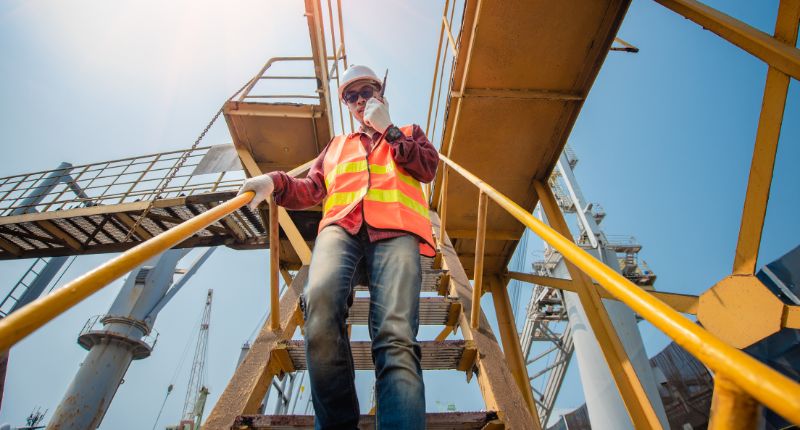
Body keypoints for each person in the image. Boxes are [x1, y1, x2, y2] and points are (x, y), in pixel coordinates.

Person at [238, 64, 439, 430]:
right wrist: (275, 181)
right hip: (342, 228)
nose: (360, 100)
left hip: (396, 229)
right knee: (319, 309)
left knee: (396, 334)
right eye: (352, 96)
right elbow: (311, 187)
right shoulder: (336, 146)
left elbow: (427, 168)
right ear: (346, 103)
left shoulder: (407, 133)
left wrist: (389, 130)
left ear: (380, 93)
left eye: (367, 92)